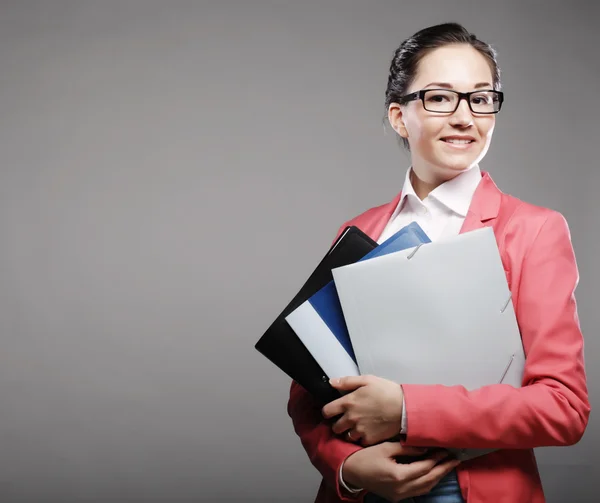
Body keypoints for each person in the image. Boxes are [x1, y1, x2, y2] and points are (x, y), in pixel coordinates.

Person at [286, 22, 590, 503]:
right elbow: (309, 390)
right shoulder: (358, 232)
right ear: (399, 116)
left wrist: (407, 408)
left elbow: (563, 406)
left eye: (481, 98)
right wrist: (348, 467)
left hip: (474, 489)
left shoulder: (534, 230)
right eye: (441, 98)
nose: (465, 117)